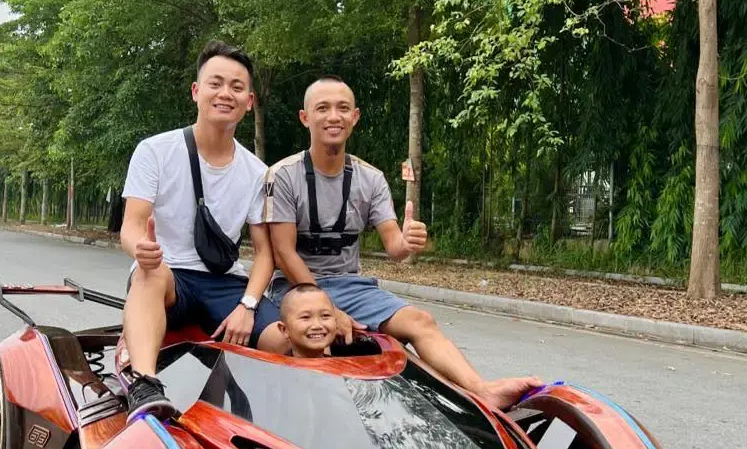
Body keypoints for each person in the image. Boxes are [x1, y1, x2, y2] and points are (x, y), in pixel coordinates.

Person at [264, 75, 542, 410]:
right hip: (295, 287)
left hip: (350, 286)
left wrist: (408, 241)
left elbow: (394, 245)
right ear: (305, 117)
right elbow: (283, 251)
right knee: (289, 339)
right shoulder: (283, 175)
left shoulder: (371, 178)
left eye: (342, 108)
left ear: (355, 117)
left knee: (420, 321)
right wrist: (329, 311)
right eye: (322, 108)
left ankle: (480, 390)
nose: (333, 116)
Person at [120, 40, 286, 423]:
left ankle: (283, 423)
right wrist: (139, 248)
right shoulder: (155, 151)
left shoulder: (256, 172)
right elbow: (132, 224)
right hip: (169, 275)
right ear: (196, 91)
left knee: (284, 336)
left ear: (249, 101)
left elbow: (264, 253)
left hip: (222, 282)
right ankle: (145, 384)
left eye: (236, 86)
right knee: (148, 273)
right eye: (215, 83)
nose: (224, 93)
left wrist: (247, 306)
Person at [277, 283, 338, 358]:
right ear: (284, 329)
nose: (317, 325)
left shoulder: (344, 367)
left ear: (336, 322)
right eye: (305, 317)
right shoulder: (276, 368)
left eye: (325, 315)